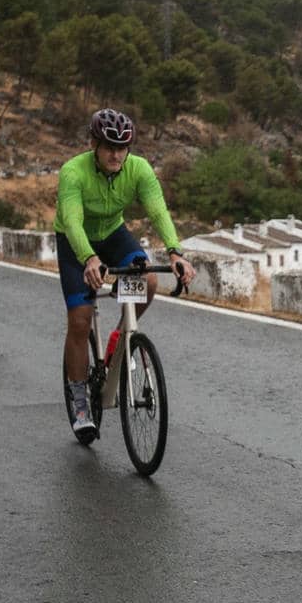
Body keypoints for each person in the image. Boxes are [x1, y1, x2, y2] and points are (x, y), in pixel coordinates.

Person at [53, 108, 196, 439]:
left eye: (123, 147)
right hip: (77, 242)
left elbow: (158, 210)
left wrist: (175, 252)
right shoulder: (73, 173)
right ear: (94, 144)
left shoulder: (139, 169)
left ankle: (119, 339)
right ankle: (79, 400)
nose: (116, 154)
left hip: (114, 234)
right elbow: (72, 221)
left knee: (148, 281)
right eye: (108, 146)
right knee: (80, 318)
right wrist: (88, 258)